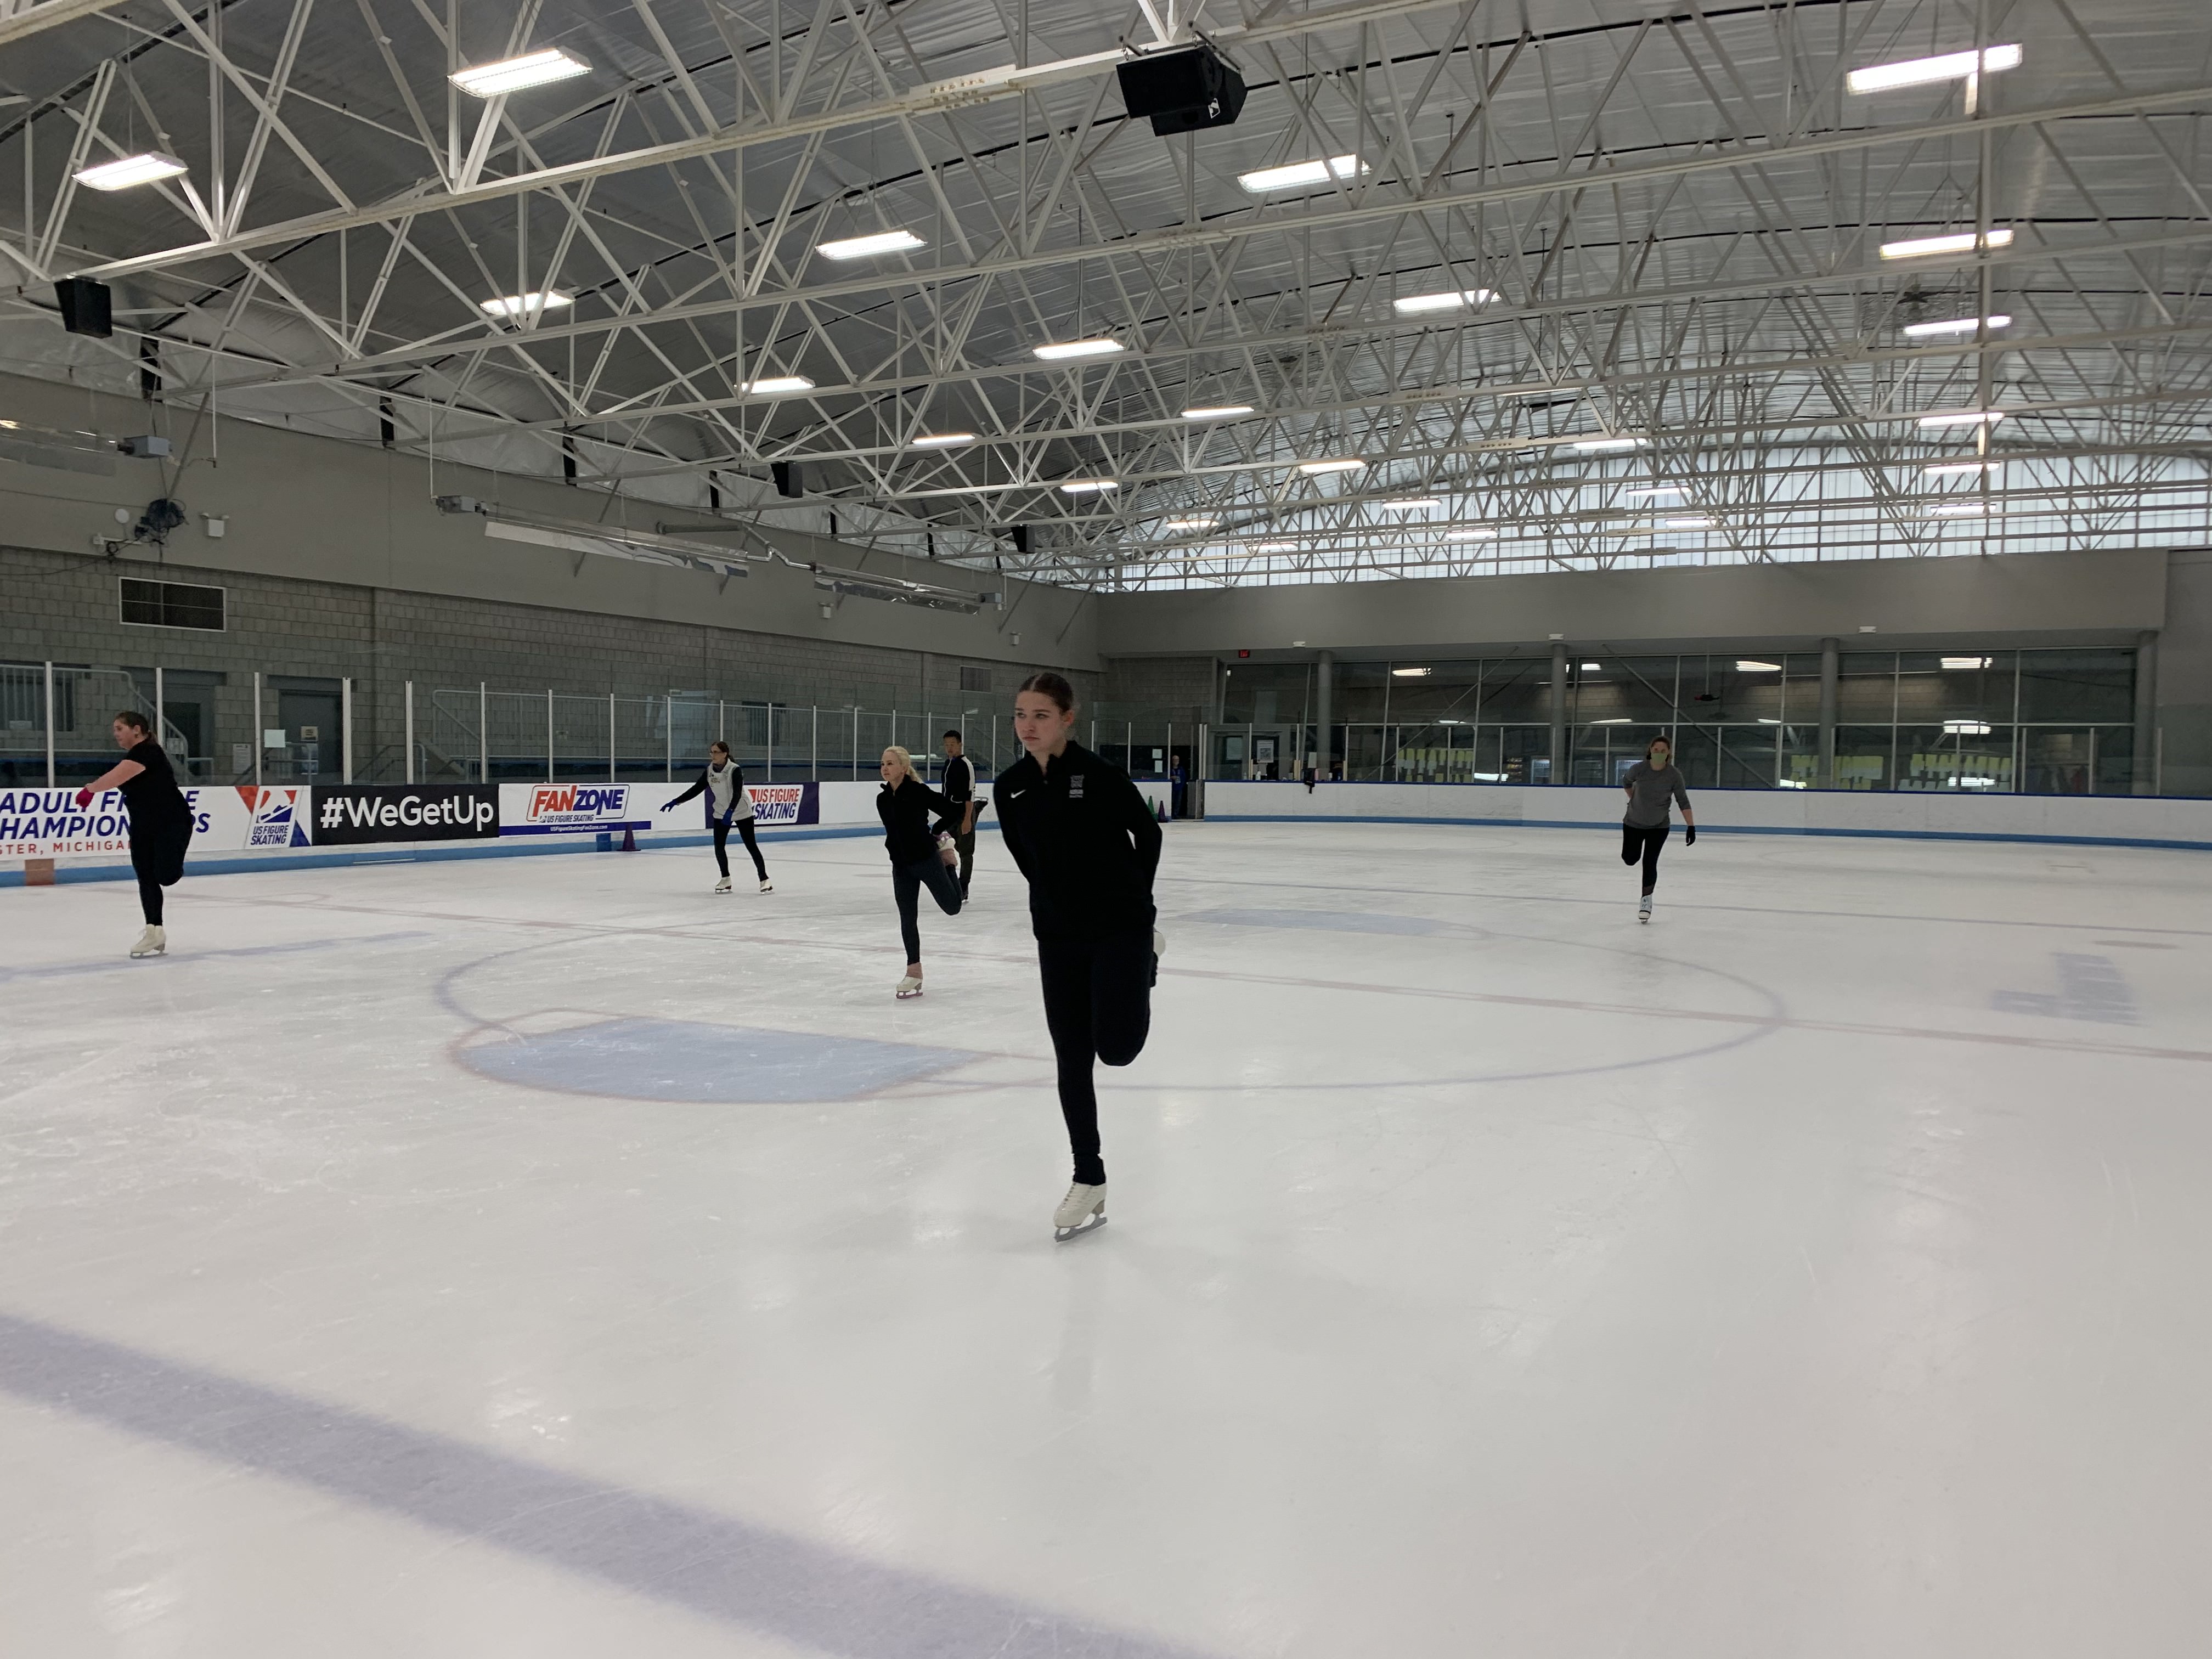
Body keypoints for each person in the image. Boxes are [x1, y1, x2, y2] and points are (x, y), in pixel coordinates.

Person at [995, 672, 1164, 1241]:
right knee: (1071, 1055)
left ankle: (1145, 964)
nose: (1028, 726)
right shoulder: (1011, 785)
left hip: (1119, 928)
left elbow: (1149, 834)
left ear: (1068, 718)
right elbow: (1026, 854)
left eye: (1041, 715)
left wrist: (1138, 908)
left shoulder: (1099, 776)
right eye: (1021, 714)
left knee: (1116, 1051)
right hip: (1058, 935)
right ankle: (1088, 1175)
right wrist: (1051, 897)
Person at [74, 710, 195, 958]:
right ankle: (154, 930)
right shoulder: (135, 755)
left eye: (120, 728)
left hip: (171, 822)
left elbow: (116, 777)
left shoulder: (148, 752)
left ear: (136, 729)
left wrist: (90, 790)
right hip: (142, 824)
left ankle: (172, 872)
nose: (115, 734)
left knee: (165, 876)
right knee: (145, 876)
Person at [876, 745, 963, 998]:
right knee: (907, 917)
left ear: (903, 767)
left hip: (926, 859)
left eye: (890, 764)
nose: (885, 768)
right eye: (883, 764)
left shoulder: (917, 791)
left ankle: (949, 861)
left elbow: (953, 810)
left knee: (952, 907)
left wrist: (937, 831)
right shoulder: (882, 799)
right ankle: (913, 972)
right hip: (901, 866)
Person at [664, 741, 771, 893]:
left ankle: (764, 879)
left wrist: (731, 812)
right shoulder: (710, 770)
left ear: (724, 754)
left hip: (741, 811)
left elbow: (737, 793)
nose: (712, 755)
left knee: (751, 845)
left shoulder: (735, 770)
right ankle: (725, 879)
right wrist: (677, 801)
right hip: (721, 811)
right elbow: (697, 788)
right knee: (719, 846)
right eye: (711, 752)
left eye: (716, 752)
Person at [1620, 735, 1696, 922]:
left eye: (1663, 751)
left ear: (1668, 753)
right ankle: (1632, 858)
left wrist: (1691, 826)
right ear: (1650, 751)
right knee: (1630, 859)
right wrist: (1633, 798)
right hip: (1633, 823)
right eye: (1656, 750)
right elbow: (1626, 781)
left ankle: (1646, 901)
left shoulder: (1673, 775)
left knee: (1650, 862)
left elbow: (1683, 801)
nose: (1659, 754)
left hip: (1659, 826)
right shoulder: (1639, 769)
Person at [938, 729, 980, 900]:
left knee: (966, 852)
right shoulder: (948, 764)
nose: (950, 748)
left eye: (953, 745)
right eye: (947, 745)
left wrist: (968, 820)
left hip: (963, 813)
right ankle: (950, 883)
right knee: (946, 848)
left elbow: (970, 793)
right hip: (949, 814)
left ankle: (963, 886)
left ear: (960, 745)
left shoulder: (966, 765)